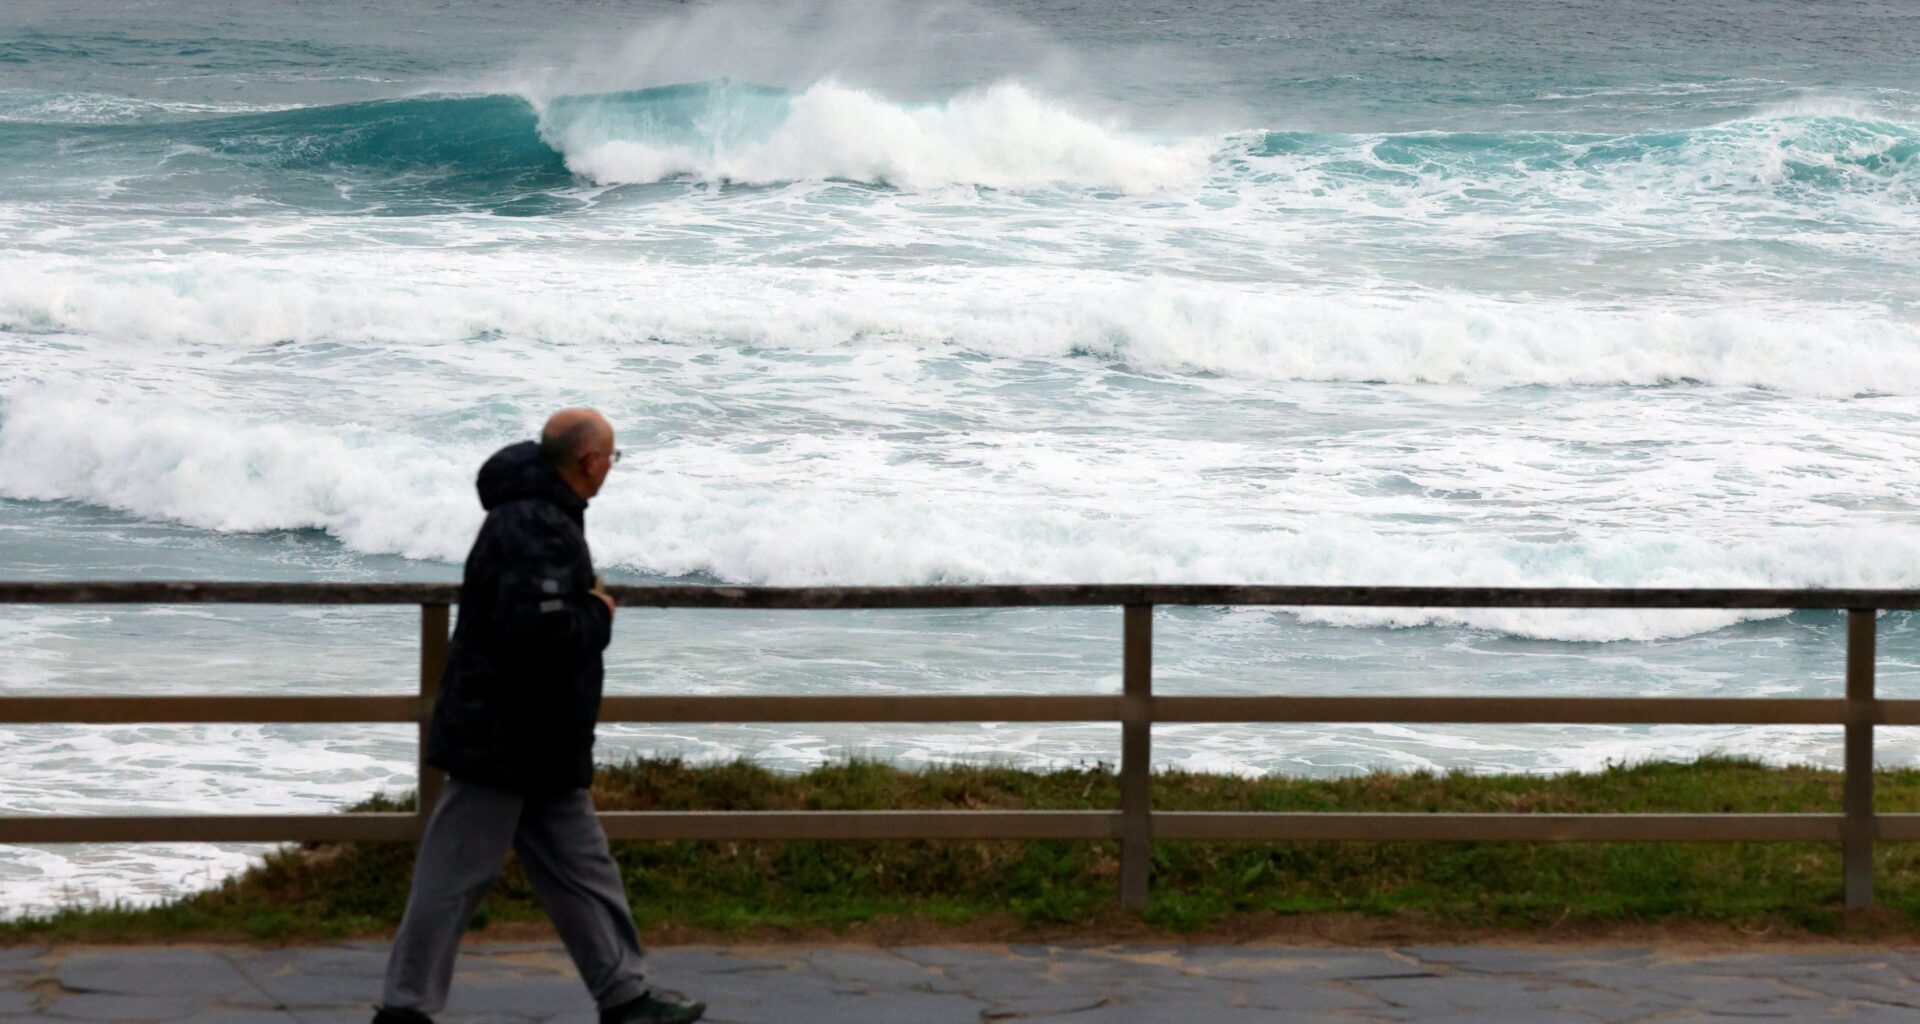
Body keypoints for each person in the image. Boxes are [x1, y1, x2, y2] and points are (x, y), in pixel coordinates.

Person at [374, 409, 705, 1024]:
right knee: (452, 880)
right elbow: (537, 630)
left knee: (585, 872)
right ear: (588, 462)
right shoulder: (533, 522)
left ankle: (626, 997)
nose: (612, 466)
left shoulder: (542, 514)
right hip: (504, 738)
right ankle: (404, 1009)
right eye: (612, 456)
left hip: (539, 739)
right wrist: (598, 613)